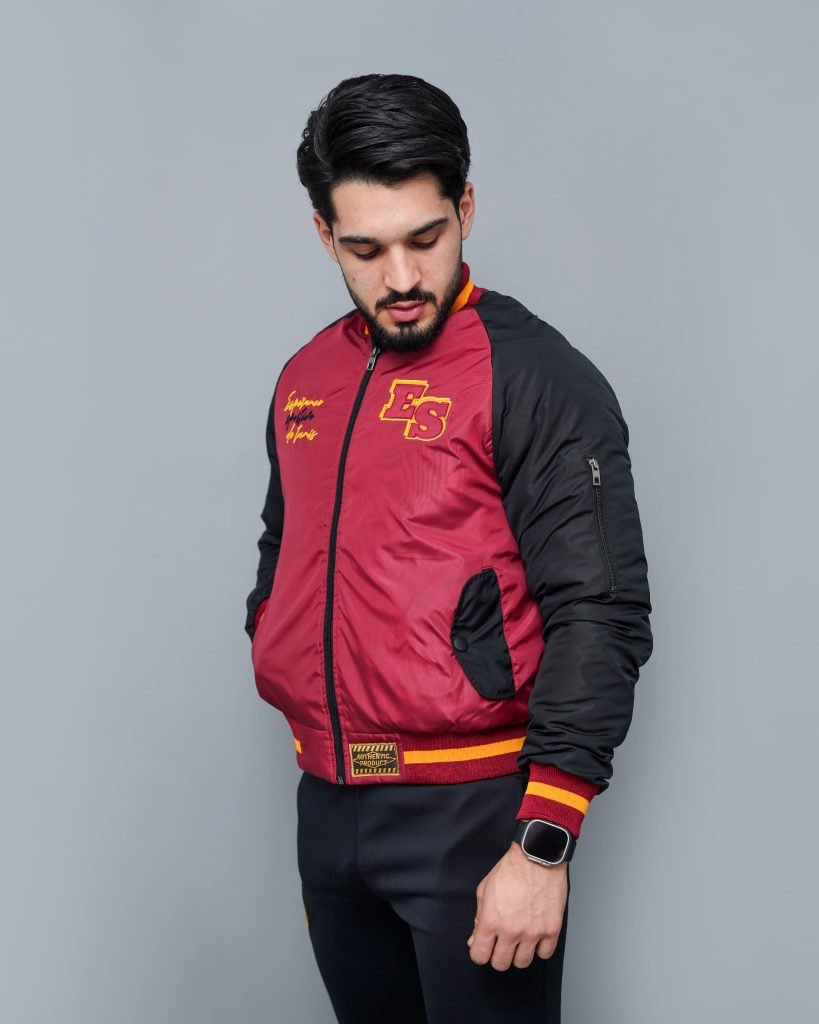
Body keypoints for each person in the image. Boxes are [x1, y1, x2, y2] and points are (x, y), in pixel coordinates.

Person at [245, 73, 653, 1023]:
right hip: (328, 803)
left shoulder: (536, 375)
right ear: (324, 236)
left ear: (464, 209)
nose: (399, 278)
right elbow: (283, 544)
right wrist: (273, 635)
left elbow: (599, 609)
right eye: (365, 249)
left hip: (474, 815)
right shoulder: (306, 376)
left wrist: (544, 840)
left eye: (424, 240)